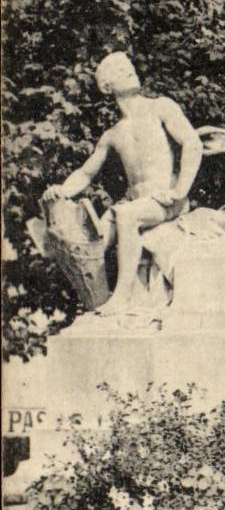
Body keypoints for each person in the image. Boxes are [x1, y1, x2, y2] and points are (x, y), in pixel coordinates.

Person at [43, 53, 203, 316]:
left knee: (126, 215)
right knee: (92, 239)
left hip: (165, 202)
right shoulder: (113, 134)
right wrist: (63, 189)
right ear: (107, 87)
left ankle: (122, 296)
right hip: (135, 204)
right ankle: (95, 297)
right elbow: (85, 174)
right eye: (118, 68)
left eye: (128, 64)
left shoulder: (160, 107)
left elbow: (192, 143)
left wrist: (180, 190)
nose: (128, 68)